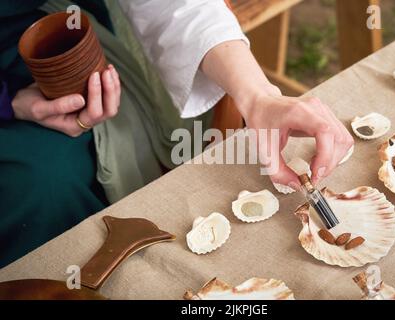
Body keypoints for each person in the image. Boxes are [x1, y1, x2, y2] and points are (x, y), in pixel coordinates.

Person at [0, 0, 353, 267]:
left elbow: (172, 5)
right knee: (42, 184)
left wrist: (258, 97)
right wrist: (8, 102)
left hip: (59, 31)